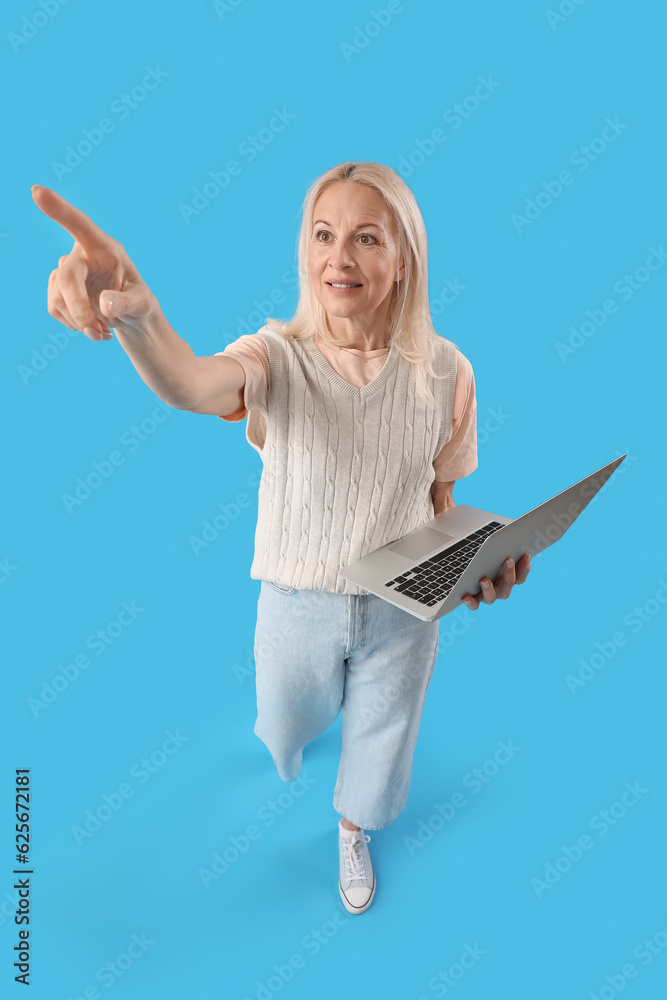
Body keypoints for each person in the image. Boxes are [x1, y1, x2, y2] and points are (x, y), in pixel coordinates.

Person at [31, 161, 531, 916]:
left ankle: (353, 826)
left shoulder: (447, 372)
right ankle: (292, 738)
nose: (340, 257)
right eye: (323, 235)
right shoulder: (276, 356)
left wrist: (472, 568)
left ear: (403, 261)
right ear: (304, 252)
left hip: (402, 611)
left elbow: (439, 499)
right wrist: (138, 316)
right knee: (288, 721)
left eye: (367, 238)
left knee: (384, 737)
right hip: (297, 601)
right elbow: (192, 384)